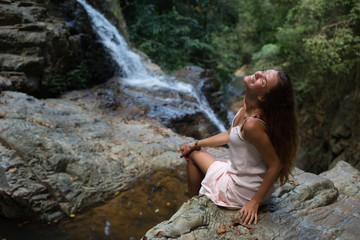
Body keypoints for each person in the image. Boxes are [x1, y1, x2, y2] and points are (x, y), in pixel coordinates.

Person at [180, 69, 298, 226]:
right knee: (196, 150)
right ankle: (194, 201)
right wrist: (195, 143)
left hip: (245, 191)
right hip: (244, 174)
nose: (257, 74)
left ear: (262, 97)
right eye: (262, 72)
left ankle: (192, 207)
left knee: (194, 156)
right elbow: (229, 134)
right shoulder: (247, 104)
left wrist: (254, 202)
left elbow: (276, 165)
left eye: (262, 80)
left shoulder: (253, 124)